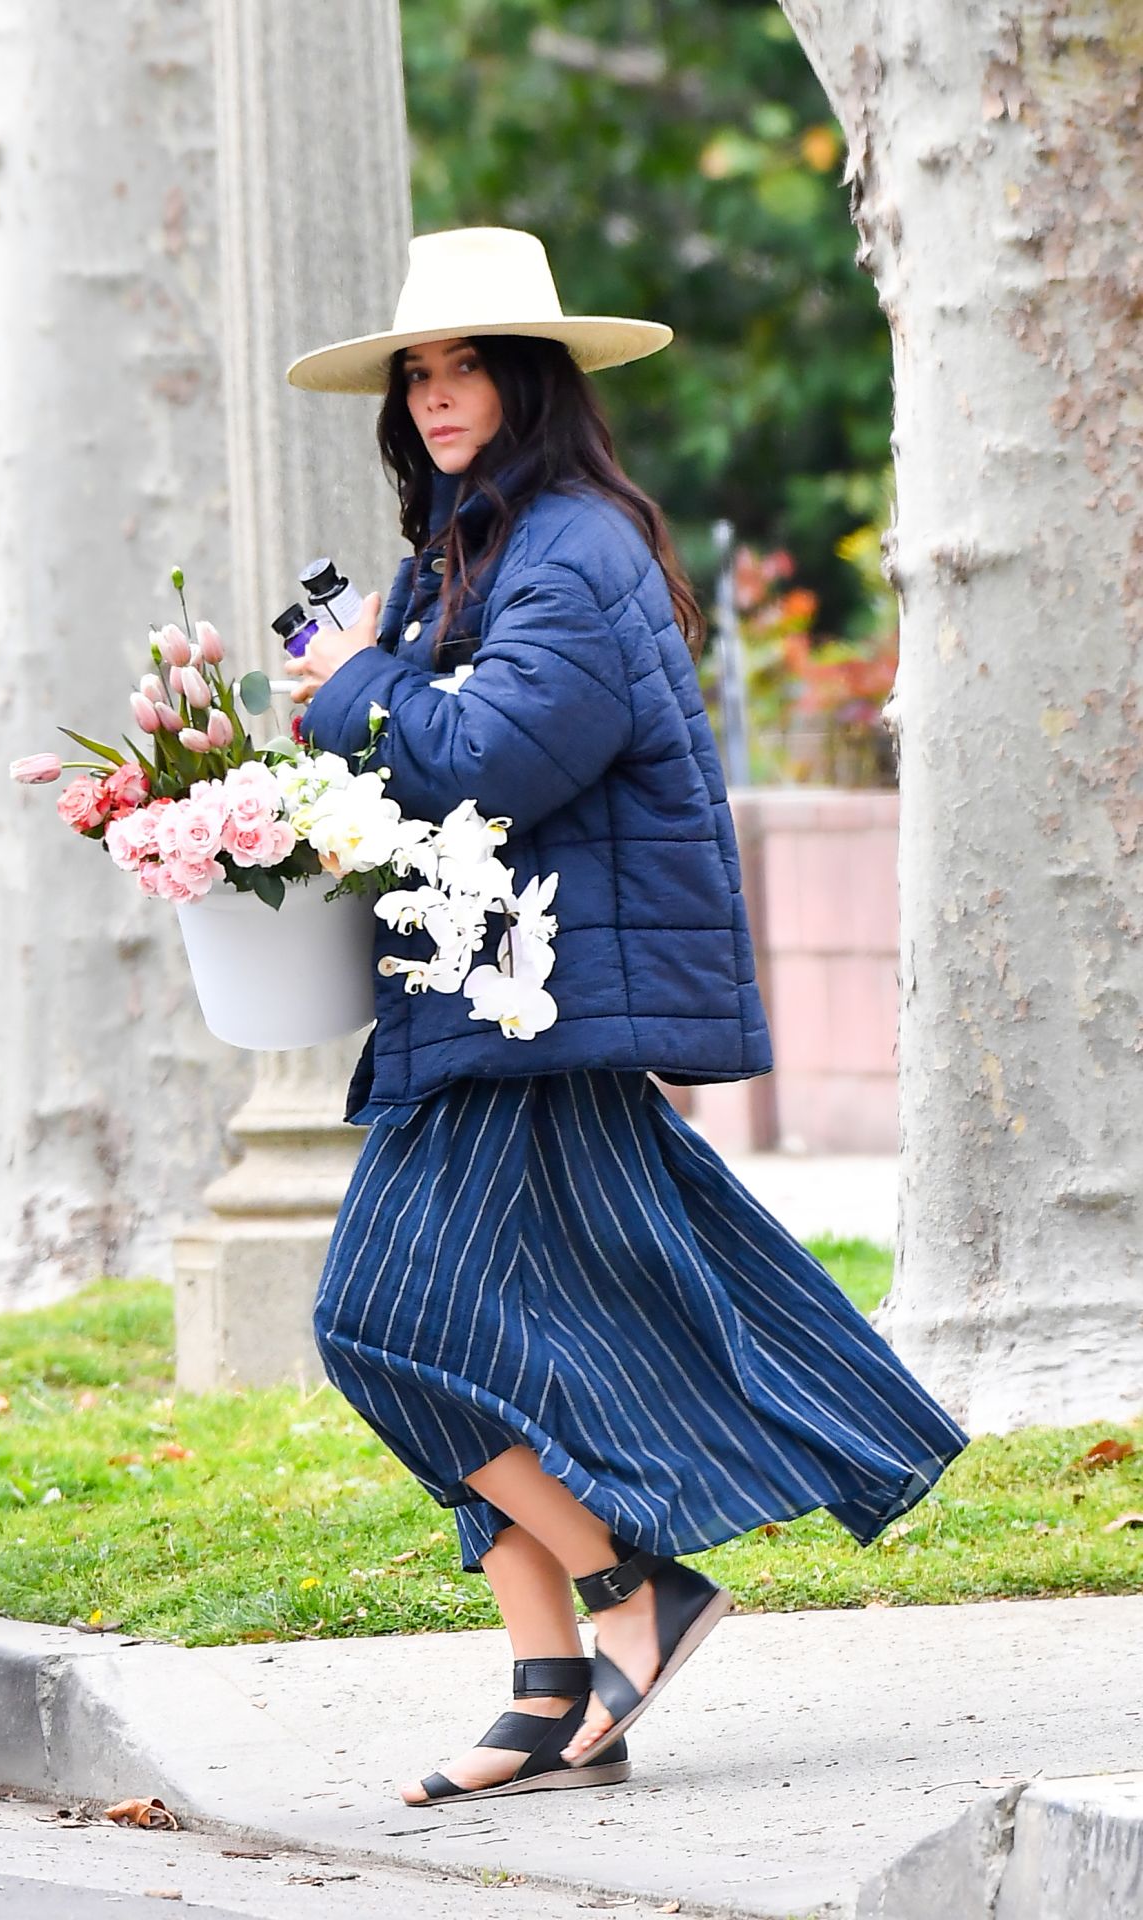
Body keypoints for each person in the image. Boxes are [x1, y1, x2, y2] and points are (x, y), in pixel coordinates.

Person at [283, 227, 970, 1809]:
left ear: (533, 383)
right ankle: (542, 1682)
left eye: (466, 369)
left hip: (542, 1009)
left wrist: (348, 689)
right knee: (485, 1343)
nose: (438, 396)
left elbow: (500, 756)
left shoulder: (575, 546)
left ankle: (631, 1588)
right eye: (418, 373)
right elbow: (417, 762)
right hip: (481, 1002)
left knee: (379, 1319)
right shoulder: (459, 554)